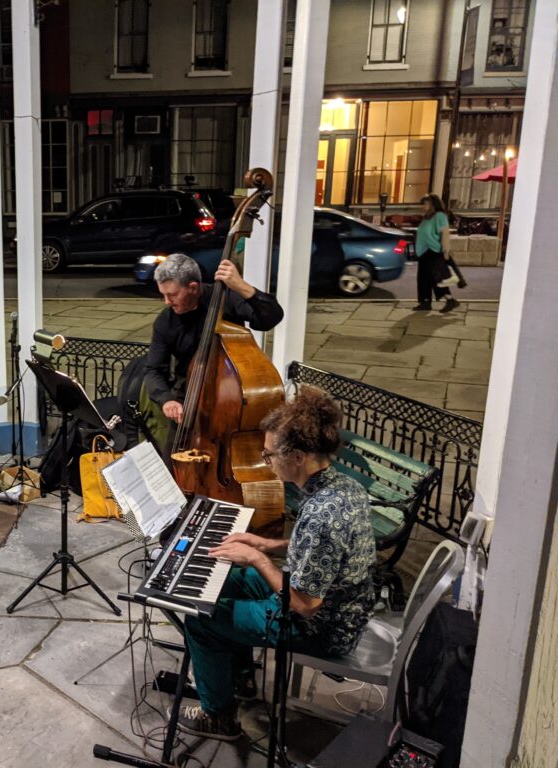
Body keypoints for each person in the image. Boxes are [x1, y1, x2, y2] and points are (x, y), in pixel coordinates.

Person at [175, 387, 376, 740]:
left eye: (268, 454)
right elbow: (318, 550)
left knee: (200, 618)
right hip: (333, 602)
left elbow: (305, 605)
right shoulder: (344, 485)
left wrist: (257, 557)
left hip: (321, 628)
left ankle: (219, 716)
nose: (265, 460)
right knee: (222, 581)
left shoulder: (322, 515)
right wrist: (268, 544)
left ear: (297, 456)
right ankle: (239, 677)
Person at [141, 253, 284, 449]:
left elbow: (270, 318)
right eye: (163, 295)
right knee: (172, 459)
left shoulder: (225, 298)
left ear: (193, 287)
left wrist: (241, 286)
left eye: (172, 295)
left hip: (230, 400)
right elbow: (154, 370)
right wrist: (166, 400)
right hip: (188, 401)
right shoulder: (166, 321)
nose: (166, 301)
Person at [415, 194, 459, 313]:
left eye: (425, 203)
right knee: (423, 278)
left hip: (433, 251)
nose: (422, 206)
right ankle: (425, 302)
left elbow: (445, 234)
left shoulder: (440, 216)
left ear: (432, 204)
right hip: (423, 252)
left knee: (437, 278)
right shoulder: (427, 217)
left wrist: (446, 251)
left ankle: (450, 300)